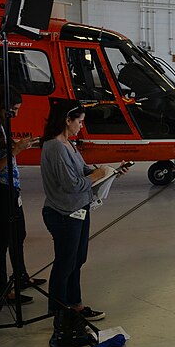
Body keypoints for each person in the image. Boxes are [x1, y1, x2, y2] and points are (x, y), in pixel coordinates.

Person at [39, 100, 113, 322]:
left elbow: (82, 170)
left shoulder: (68, 144)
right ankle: (59, 309)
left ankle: (75, 304)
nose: (81, 126)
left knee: (77, 259)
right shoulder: (55, 147)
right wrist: (96, 175)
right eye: (79, 121)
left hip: (78, 209)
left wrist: (109, 172)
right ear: (67, 120)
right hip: (63, 213)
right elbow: (71, 184)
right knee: (65, 262)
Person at [0, 86, 40, 303]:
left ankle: (20, 275)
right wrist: (16, 150)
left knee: (18, 233)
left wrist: (21, 145)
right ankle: (2, 290)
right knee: (0, 242)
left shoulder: (0, 126)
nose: (16, 115)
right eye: (12, 110)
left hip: (11, 187)